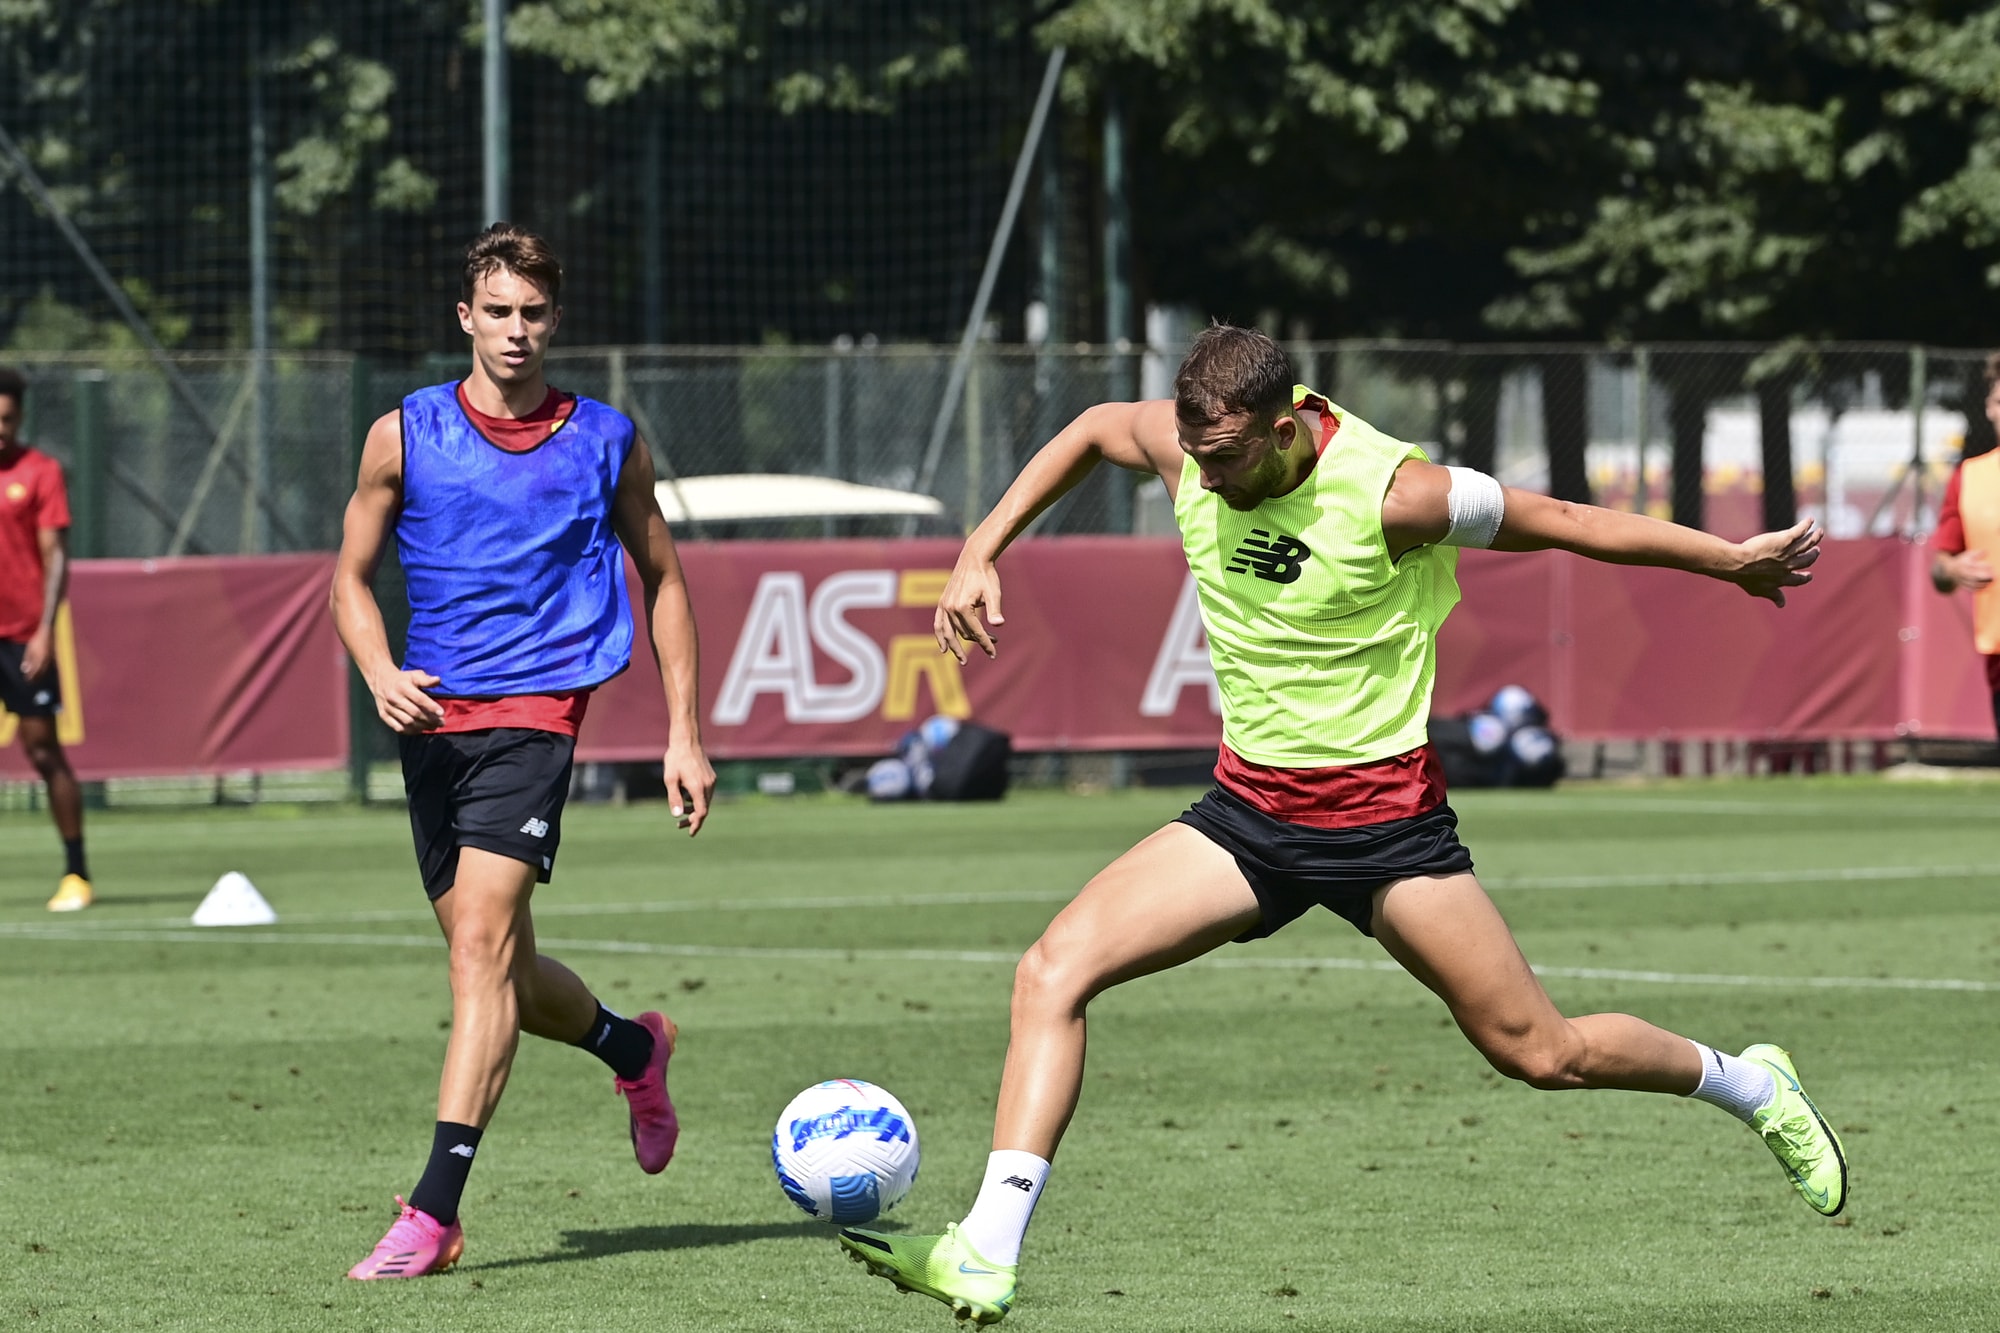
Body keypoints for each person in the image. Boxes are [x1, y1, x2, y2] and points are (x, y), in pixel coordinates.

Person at [836, 325, 1844, 1324]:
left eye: (1226, 457)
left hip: (1383, 832)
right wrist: (980, 546)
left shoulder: (1398, 496)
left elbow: (1568, 520)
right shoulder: (1193, 453)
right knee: (1051, 971)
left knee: (1543, 1053)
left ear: (1282, 430)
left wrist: (1727, 560)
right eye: (1193, 454)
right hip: (1248, 819)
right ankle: (987, 1249)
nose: (1204, 477)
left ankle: (1750, 1085)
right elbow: (1097, 427)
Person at [330, 223, 715, 1279]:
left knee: (477, 955)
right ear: (465, 316)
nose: (515, 330)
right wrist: (379, 670)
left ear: (555, 319)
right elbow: (349, 580)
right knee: (504, 965)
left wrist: (684, 732)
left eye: (533, 313)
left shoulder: (606, 439)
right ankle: (633, 1047)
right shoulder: (402, 434)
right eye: (497, 311)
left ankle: (434, 1211)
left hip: (539, 713)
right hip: (431, 721)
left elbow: (665, 579)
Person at [0, 368, 93, 912]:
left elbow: (55, 555)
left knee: (42, 750)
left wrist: (43, 630)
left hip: (20, 637)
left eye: (8, 419)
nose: (0, 429)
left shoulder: (40, 472)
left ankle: (76, 872)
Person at [1927, 351, 2000, 736]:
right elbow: (1940, 571)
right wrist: (1954, 569)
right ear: (1989, 407)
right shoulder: (1970, 477)